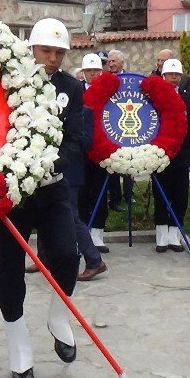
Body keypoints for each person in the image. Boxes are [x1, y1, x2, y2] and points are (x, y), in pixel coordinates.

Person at [0, 17, 85, 378]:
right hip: (11, 194)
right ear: (31, 49)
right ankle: (19, 348)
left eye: (60, 52)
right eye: (47, 50)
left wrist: (47, 165)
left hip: (52, 187)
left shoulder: (72, 88)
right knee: (10, 270)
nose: (53, 58)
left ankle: (58, 316)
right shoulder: (7, 82)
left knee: (66, 255)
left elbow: (75, 139)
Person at [153, 59, 190, 252]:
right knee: (161, 195)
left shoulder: (189, 99)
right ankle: (161, 235)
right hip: (159, 155)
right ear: (163, 76)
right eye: (170, 74)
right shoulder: (153, 98)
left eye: (177, 74)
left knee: (180, 197)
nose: (173, 77)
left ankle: (175, 233)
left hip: (182, 155)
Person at [79, 53, 110, 252]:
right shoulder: (76, 90)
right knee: (82, 192)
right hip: (82, 151)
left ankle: (97, 233)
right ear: (83, 72)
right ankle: (82, 233)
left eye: (96, 70)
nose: (92, 74)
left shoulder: (109, 92)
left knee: (100, 190)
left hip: (102, 150)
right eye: (89, 71)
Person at [104, 49, 133, 211]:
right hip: (111, 124)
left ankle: (129, 196)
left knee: (129, 162)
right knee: (113, 164)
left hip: (128, 124)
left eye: (114, 61)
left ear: (122, 62)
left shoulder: (130, 80)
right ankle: (114, 199)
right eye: (110, 61)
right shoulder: (106, 79)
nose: (111, 64)